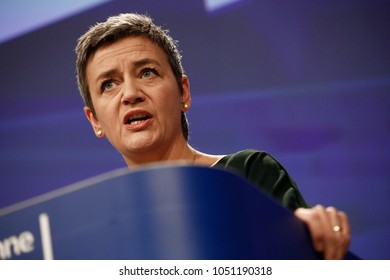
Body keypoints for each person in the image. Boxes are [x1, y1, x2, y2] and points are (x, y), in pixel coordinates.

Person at [75, 13, 351, 259]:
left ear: (183, 93)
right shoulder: (100, 238)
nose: (131, 94)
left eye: (147, 72)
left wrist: (305, 238)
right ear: (95, 120)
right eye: (109, 84)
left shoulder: (246, 175)